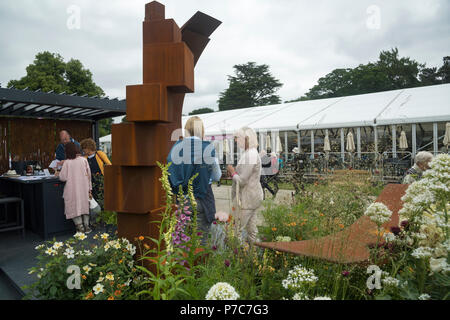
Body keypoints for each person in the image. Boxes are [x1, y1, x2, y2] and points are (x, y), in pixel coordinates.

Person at [167, 116, 221, 245]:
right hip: (202, 198)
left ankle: (182, 264)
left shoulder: (176, 148)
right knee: (201, 241)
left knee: (181, 240)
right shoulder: (207, 148)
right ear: (201, 130)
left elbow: (170, 170)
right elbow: (217, 176)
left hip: (182, 198)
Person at [227, 127, 264, 244]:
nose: (236, 141)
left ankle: (236, 256)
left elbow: (242, 180)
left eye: (237, 138)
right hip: (252, 197)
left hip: (247, 199)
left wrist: (232, 172)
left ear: (246, 139)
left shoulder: (250, 155)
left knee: (237, 230)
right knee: (251, 229)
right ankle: (254, 254)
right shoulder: (250, 153)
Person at [56, 142, 92, 233]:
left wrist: (57, 173)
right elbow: (89, 176)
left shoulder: (67, 162)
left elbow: (63, 178)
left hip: (72, 190)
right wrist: (89, 189)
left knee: (73, 207)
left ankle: (80, 228)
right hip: (84, 188)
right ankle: (87, 226)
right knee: (84, 206)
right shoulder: (83, 160)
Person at [80, 138, 111, 210]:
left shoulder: (99, 154)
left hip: (101, 181)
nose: (83, 150)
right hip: (91, 183)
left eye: (84, 148)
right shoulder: (84, 158)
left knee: (103, 199)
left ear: (88, 148)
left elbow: (109, 164)